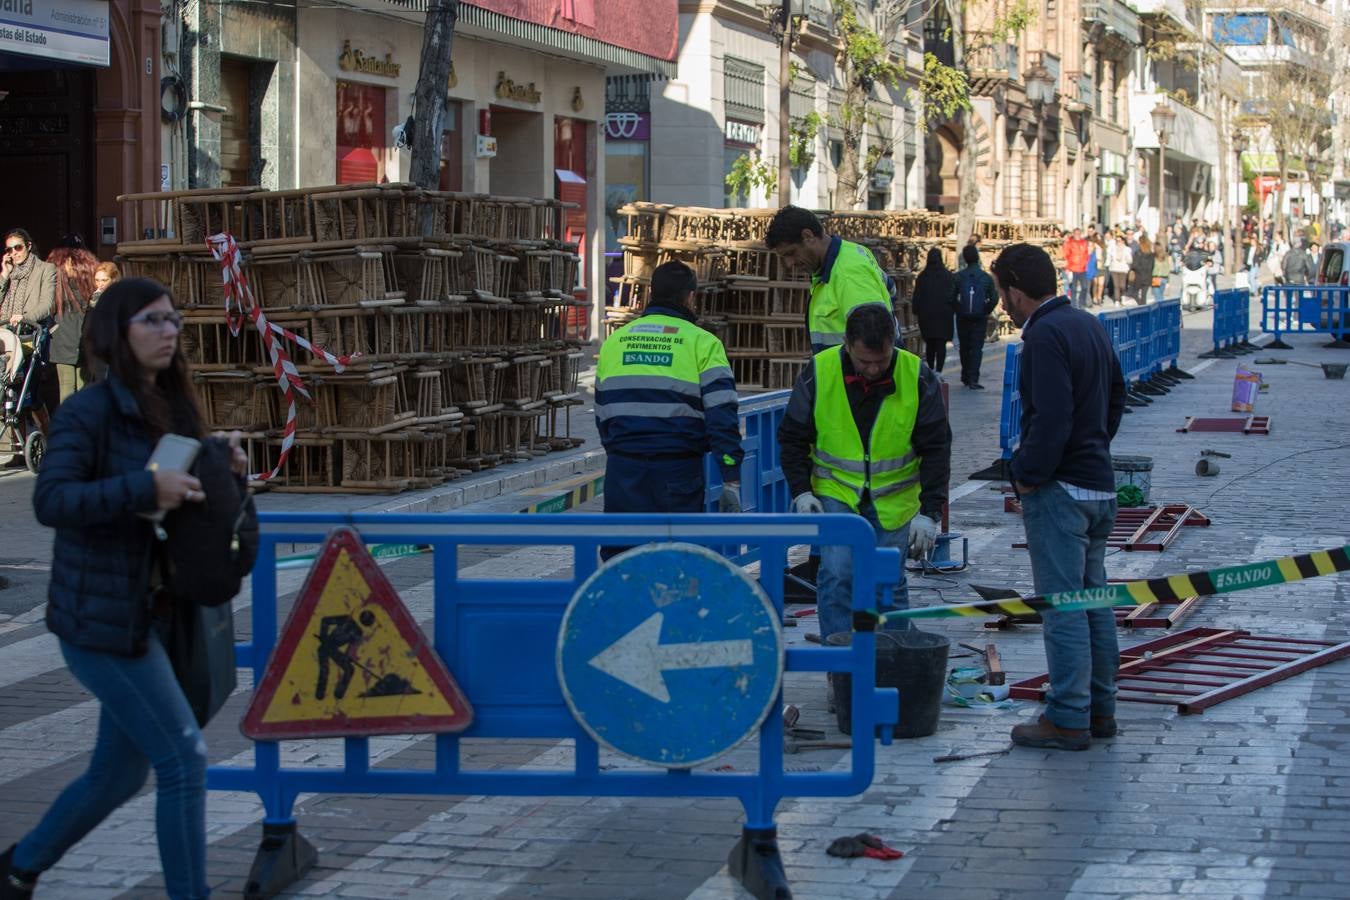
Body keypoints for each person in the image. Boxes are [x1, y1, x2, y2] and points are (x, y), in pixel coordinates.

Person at [1, 278, 248, 899]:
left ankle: (18, 868)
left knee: (115, 776)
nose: (168, 332)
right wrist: (146, 489)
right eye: (152, 321)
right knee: (184, 761)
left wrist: (220, 468)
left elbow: (184, 505)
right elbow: (51, 500)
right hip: (102, 621)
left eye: (173, 321)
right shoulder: (89, 411)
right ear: (119, 332)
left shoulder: (174, 405)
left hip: (159, 617)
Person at [990, 244, 1126, 752]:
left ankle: (1069, 716)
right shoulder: (1087, 324)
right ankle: (1100, 709)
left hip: (1061, 490)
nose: (1002, 305)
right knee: (1094, 602)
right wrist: (1095, 445)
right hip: (1097, 484)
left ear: (1016, 290)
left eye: (1003, 294)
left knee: (1064, 607)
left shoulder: (1044, 335)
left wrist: (1027, 474)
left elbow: (1051, 419)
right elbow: (1116, 396)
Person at [777, 303, 951, 643]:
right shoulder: (820, 372)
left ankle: (894, 664)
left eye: (881, 361)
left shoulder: (916, 375)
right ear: (846, 344)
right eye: (863, 361)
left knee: (887, 581)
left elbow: (936, 447)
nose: (872, 370)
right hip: (837, 492)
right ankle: (841, 667)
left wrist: (930, 513)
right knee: (837, 575)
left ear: (894, 342)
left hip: (894, 500)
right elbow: (792, 437)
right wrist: (802, 491)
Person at [594, 260, 743, 559]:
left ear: (652, 294)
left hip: (623, 470)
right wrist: (730, 476)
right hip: (677, 471)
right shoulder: (703, 343)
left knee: (623, 561)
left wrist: (624, 451)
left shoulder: (615, 341)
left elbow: (602, 411)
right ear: (690, 297)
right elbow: (721, 416)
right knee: (676, 559)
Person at [765, 205, 896, 353]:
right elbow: (890, 288)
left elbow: (874, 347)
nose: (789, 263)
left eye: (791, 253)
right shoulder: (851, 253)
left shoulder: (848, 274)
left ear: (808, 236)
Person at [44, 247, 95, 403]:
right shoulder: (57, 286)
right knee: (69, 387)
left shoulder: (86, 284)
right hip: (65, 343)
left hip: (80, 343)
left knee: (82, 387)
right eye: (68, 262)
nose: (72, 265)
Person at [953, 244, 999, 389]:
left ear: (965, 259)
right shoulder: (986, 278)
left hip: (963, 317)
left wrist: (958, 309)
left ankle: (965, 375)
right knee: (977, 347)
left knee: (964, 347)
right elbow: (994, 297)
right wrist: (986, 310)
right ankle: (974, 378)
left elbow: (950, 296)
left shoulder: (959, 277)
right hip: (980, 317)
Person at [911, 247, 956, 375]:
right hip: (943, 315)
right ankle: (939, 370)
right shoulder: (948, 276)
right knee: (941, 343)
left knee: (930, 344)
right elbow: (952, 296)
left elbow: (917, 296)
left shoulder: (923, 277)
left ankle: (931, 368)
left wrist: (916, 309)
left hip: (926, 316)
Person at [0, 228, 56, 328]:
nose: (14, 252)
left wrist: (24, 319)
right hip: (5, 333)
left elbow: (46, 305)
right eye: (9, 249)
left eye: (18, 247)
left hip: (30, 332)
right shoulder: (9, 273)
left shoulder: (45, 269)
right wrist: (4, 274)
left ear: (28, 246)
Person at [1063, 228, 1089, 310]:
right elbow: (1065, 255)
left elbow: (1086, 254)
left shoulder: (1084, 242)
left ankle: (1082, 304)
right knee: (1073, 288)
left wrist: (1086, 264)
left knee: (1084, 287)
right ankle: (1074, 305)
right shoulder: (1069, 243)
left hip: (1082, 268)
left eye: (1079, 233)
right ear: (1073, 234)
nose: (1077, 235)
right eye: (1076, 233)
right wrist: (1067, 268)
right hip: (1072, 268)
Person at [1106, 231, 1133, 305]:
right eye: (1117, 241)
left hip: (1123, 269)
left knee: (1122, 285)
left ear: (1123, 241)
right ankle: (1117, 300)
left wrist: (1127, 256)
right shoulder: (1113, 249)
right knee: (1116, 285)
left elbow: (1130, 260)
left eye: (1120, 241)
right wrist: (1108, 265)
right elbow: (1109, 258)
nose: (1118, 242)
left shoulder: (1127, 249)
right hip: (1114, 268)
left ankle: (1123, 296)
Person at [1129, 235, 1155, 305]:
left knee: (1134, 293)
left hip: (1139, 277)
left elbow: (1135, 265)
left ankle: (1140, 304)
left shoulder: (1138, 253)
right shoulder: (1151, 254)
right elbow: (1152, 266)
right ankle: (1143, 307)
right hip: (1148, 277)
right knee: (1144, 295)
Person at [1151, 237, 1171, 304]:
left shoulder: (1154, 257)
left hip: (1156, 278)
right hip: (1164, 278)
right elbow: (1168, 269)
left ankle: (1159, 312)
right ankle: (1162, 310)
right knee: (1161, 296)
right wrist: (1168, 281)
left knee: (1157, 297)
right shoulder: (1165, 257)